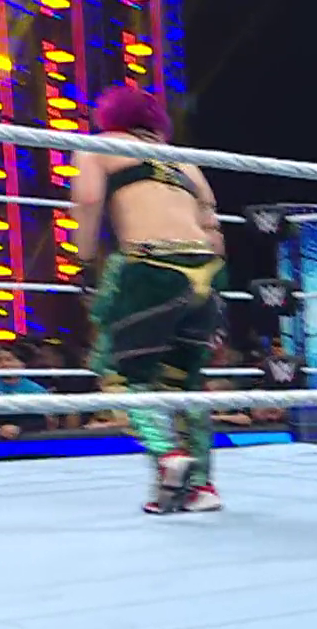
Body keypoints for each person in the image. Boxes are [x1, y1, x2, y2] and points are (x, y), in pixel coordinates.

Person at [71, 84, 229, 515]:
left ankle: (168, 457)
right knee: (185, 383)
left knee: (122, 377)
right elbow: (212, 225)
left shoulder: (99, 145)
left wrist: (84, 262)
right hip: (206, 271)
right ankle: (201, 487)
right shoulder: (184, 160)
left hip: (152, 268)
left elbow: (87, 200)